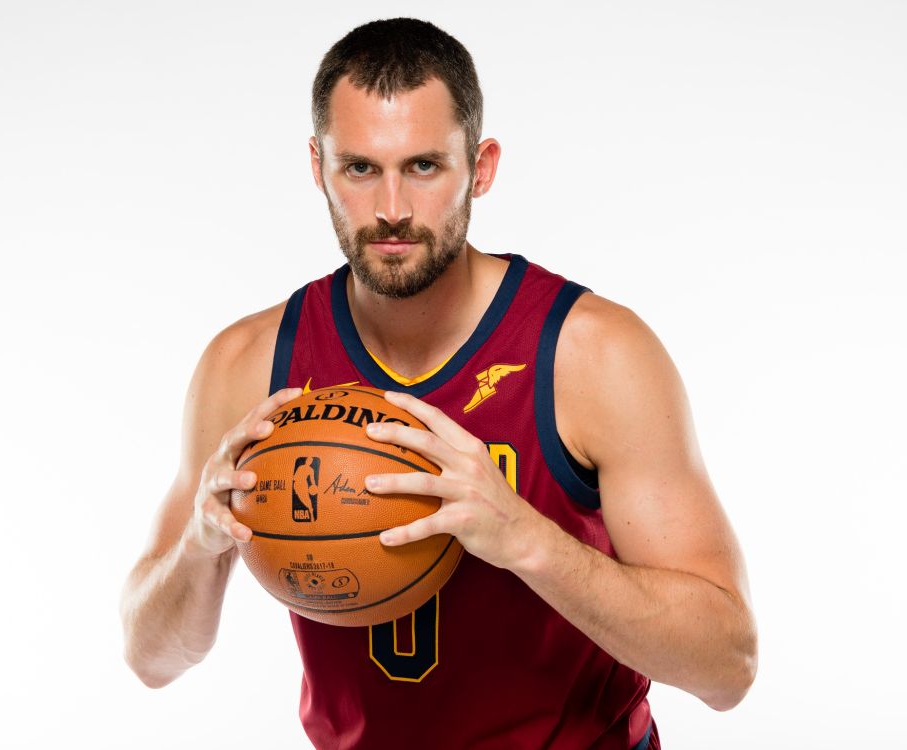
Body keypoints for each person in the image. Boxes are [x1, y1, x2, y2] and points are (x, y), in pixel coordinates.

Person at [120, 17, 757, 749]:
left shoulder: (590, 354)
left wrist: (525, 539)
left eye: (423, 166)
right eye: (359, 168)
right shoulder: (249, 364)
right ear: (316, 166)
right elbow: (152, 659)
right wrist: (198, 547)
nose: (392, 207)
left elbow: (726, 667)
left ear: (480, 167)